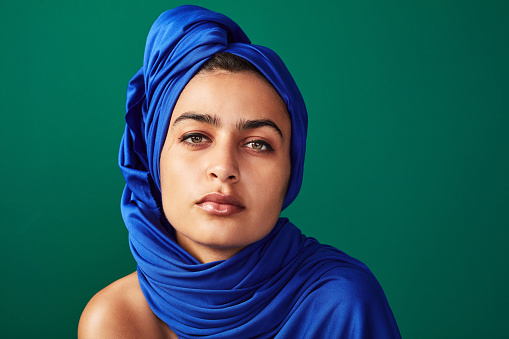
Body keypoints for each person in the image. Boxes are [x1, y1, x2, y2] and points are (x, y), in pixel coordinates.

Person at [78, 5, 401, 338]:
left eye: (257, 144)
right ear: (153, 159)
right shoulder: (116, 318)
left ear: (291, 170)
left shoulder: (343, 304)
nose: (224, 168)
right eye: (195, 137)